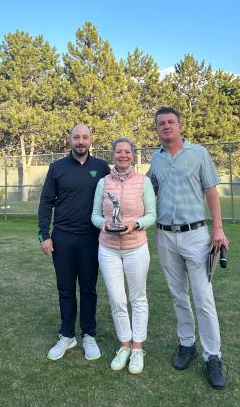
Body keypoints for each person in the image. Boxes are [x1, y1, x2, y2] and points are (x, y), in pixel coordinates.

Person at [148, 107, 229, 389]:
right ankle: (187, 344)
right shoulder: (155, 158)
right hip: (164, 235)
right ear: (157, 128)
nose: (166, 126)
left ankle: (213, 356)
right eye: (161, 123)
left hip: (196, 235)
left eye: (171, 122)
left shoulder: (198, 153)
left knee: (203, 298)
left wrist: (217, 229)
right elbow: (149, 191)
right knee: (177, 295)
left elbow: (211, 192)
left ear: (180, 126)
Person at [38, 125, 111, 361]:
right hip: (63, 238)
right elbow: (46, 202)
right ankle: (67, 335)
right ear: (70, 140)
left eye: (85, 137)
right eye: (76, 137)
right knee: (65, 288)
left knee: (88, 288)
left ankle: (89, 334)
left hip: (92, 239)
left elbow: (112, 198)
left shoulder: (102, 167)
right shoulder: (56, 167)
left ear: (91, 140)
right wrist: (44, 234)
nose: (81, 141)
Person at [91, 137, 156, 375]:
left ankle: (137, 348)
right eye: (119, 151)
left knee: (138, 298)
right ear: (113, 155)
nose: (123, 155)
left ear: (133, 155)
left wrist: (136, 224)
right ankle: (124, 345)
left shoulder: (143, 181)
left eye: (127, 151)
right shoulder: (103, 182)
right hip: (108, 249)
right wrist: (104, 225)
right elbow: (95, 215)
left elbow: (152, 215)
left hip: (136, 247)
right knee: (117, 299)